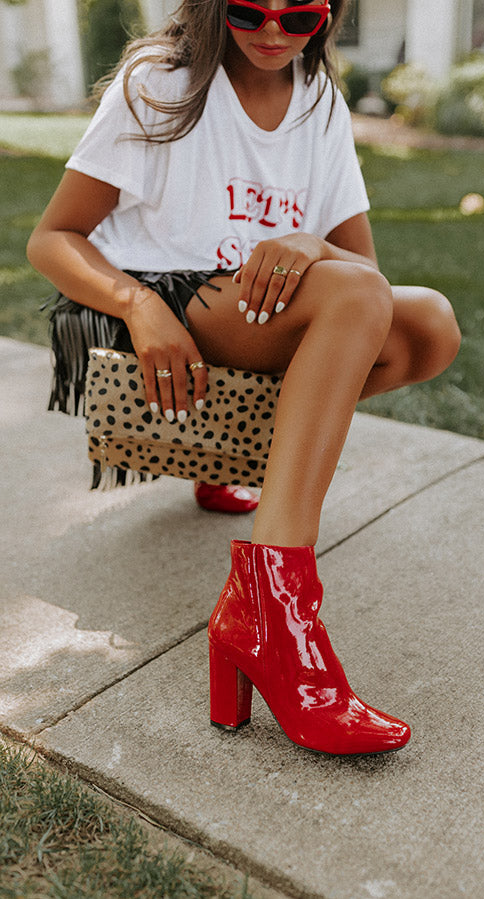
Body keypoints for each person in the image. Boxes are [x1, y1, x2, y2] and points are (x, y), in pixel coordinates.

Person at [27, 0, 461, 755]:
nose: (271, 34)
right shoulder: (162, 81)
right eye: (248, 11)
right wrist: (135, 304)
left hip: (257, 310)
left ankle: (230, 465)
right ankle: (275, 613)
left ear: (328, 15)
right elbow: (52, 237)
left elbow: (365, 268)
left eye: (298, 17)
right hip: (168, 302)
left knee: (430, 325)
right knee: (357, 298)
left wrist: (306, 242)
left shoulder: (318, 100)